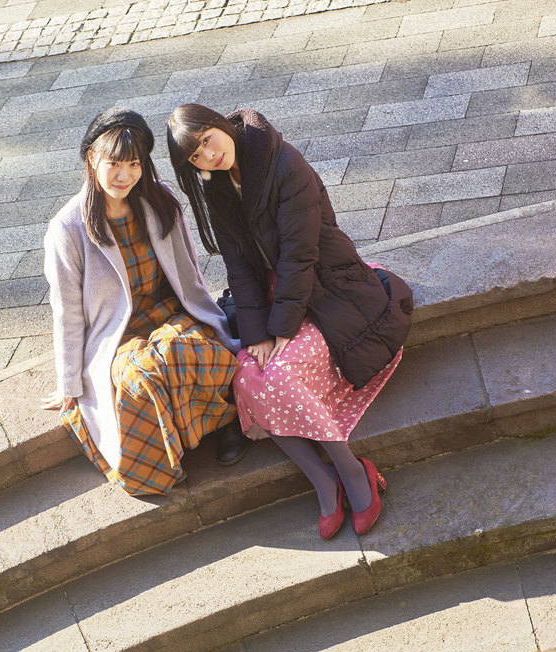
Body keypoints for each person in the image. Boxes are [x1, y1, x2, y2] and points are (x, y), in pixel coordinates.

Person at [167, 104, 413, 538]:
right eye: (195, 156)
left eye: (207, 139)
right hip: (274, 300)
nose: (208, 156)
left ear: (220, 124)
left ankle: (353, 471)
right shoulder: (217, 185)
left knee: (279, 376)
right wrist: (258, 334)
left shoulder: (285, 163)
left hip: (329, 290)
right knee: (246, 375)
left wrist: (280, 330)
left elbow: (301, 256)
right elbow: (239, 267)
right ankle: (322, 480)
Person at [41, 108, 247, 498]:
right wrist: (69, 381)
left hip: (172, 316)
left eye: (134, 164)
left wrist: (209, 318)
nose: (124, 175)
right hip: (117, 338)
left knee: (186, 351)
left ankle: (226, 421)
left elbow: (190, 276)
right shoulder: (67, 229)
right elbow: (66, 311)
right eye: (114, 163)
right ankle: (165, 457)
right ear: (91, 160)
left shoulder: (159, 201)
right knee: (142, 375)